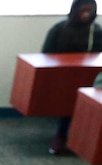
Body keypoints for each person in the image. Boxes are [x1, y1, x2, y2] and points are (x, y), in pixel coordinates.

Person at [42, 0, 102, 155]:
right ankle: (61, 137)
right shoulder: (60, 28)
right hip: (64, 78)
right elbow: (46, 54)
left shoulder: (96, 31)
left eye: (90, 11)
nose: (86, 14)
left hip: (91, 77)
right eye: (83, 10)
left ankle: (85, 141)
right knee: (69, 101)